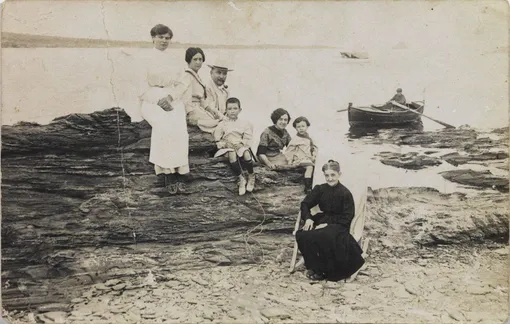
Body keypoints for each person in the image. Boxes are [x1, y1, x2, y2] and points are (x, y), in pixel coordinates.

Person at [139, 24, 190, 195]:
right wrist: (157, 99)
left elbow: (183, 83)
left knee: (179, 125)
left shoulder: (175, 59)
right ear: (153, 37)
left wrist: (170, 97)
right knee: (163, 124)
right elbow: (139, 87)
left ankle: (181, 170)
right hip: (151, 99)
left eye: (167, 38)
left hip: (171, 97)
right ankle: (167, 172)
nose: (164, 41)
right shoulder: (144, 58)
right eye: (161, 37)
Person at [295, 160, 365, 281]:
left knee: (325, 234)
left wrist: (327, 225)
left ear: (339, 174)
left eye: (333, 175)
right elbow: (305, 204)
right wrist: (308, 219)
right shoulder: (320, 189)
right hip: (322, 219)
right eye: (327, 175)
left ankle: (326, 271)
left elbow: (347, 216)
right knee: (303, 234)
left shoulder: (345, 193)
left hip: (339, 225)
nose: (330, 178)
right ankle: (315, 267)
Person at [213, 97, 255, 195]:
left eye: (235, 108)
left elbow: (248, 137)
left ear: (240, 110)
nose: (232, 111)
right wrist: (224, 144)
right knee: (232, 153)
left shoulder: (244, 123)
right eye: (230, 109)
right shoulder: (223, 124)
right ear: (226, 110)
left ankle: (251, 175)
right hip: (228, 147)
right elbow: (217, 138)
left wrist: (242, 144)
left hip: (240, 145)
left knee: (246, 153)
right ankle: (241, 178)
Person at [175, 47, 222, 133]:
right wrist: (190, 113)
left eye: (200, 59)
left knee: (221, 119)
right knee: (217, 124)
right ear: (189, 60)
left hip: (200, 108)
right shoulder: (187, 76)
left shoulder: (196, 76)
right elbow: (185, 97)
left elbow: (201, 98)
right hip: (193, 110)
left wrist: (209, 109)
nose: (198, 62)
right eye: (195, 59)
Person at [284, 116, 318, 193]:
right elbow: (289, 150)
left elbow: (314, 147)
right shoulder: (295, 139)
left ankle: (316, 184)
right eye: (298, 127)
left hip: (308, 158)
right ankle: (307, 187)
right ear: (295, 128)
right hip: (299, 159)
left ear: (307, 126)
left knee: (317, 165)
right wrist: (290, 160)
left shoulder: (309, 137)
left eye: (303, 126)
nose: (301, 128)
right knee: (310, 167)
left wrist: (314, 155)